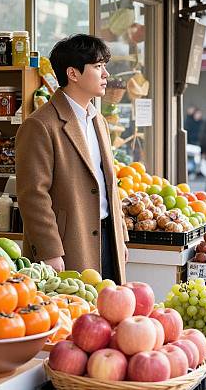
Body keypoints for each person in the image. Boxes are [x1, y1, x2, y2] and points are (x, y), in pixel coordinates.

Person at [15, 34, 128, 283]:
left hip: (107, 238)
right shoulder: (40, 125)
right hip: (69, 244)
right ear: (73, 74)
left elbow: (108, 182)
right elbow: (33, 194)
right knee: (76, 315)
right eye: (98, 67)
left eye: (104, 67)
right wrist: (50, 251)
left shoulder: (98, 120)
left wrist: (120, 237)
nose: (105, 74)